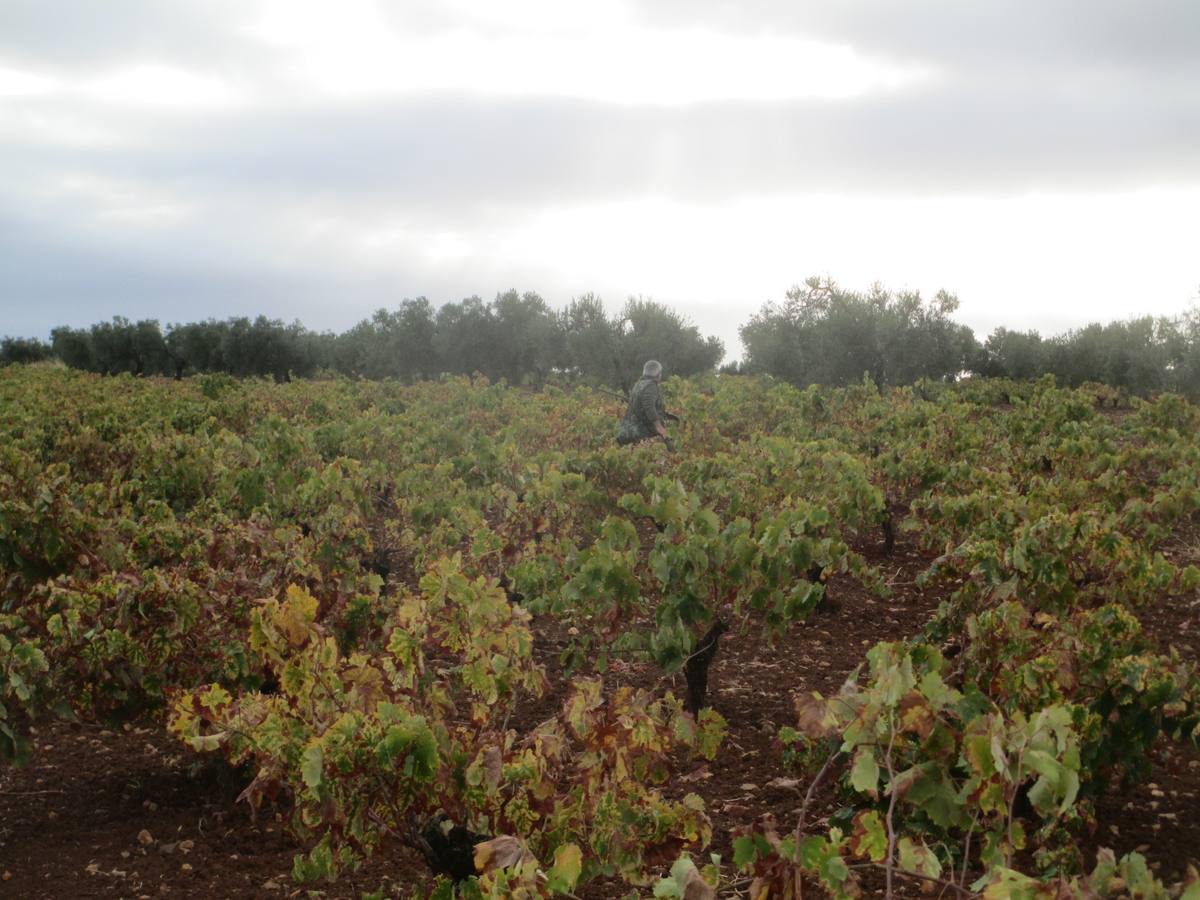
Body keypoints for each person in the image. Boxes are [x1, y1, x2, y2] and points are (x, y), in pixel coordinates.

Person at [616, 360, 677, 447]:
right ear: (658, 374)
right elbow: (649, 407)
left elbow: (641, 406)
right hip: (641, 434)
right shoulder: (650, 386)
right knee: (670, 449)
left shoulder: (639, 384)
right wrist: (659, 427)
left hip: (628, 431)